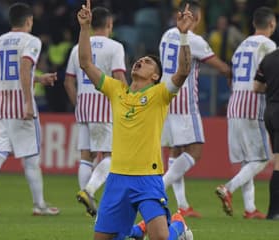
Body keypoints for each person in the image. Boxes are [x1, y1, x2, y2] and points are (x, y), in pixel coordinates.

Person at [77, 0, 194, 239]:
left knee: (161, 237)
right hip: (117, 178)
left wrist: (183, 35)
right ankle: (139, 229)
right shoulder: (117, 90)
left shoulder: (160, 94)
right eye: (139, 60)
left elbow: (182, 71)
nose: (140, 61)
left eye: (148, 62)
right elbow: (86, 64)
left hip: (147, 177)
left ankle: (179, 227)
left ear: (156, 76)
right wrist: (84, 27)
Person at [0, 2, 59, 216]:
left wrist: (38, 78)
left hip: (2, 105)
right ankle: (39, 205)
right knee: (31, 159)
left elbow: (10, 72)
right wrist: (29, 103)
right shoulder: (32, 41)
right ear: (29, 21)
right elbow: (23, 67)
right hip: (21, 106)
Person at [159, 0, 231, 218]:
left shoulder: (166, 35)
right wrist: (231, 74)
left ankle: (182, 205)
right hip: (184, 101)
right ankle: (158, 187)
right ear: (198, 19)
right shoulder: (194, 40)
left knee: (175, 151)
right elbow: (219, 66)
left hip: (164, 98)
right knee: (195, 151)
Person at [64, 6, 126, 217]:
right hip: (105, 105)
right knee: (112, 155)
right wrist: (127, 102)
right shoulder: (115, 47)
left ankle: (88, 204)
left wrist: (78, 103)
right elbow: (119, 78)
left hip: (83, 106)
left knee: (86, 156)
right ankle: (89, 190)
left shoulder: (77, 47)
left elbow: (68, 82)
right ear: (109, 24)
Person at [216, 6, 277, 219]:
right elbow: (271, 74)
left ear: (253, 24)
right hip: (254, 105)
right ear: (272, 24)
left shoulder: (241, 45)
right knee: (262, 158)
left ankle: (250, 209)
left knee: (247, 160)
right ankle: (228, 188)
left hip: (235, 105)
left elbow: (231, 75)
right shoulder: (269, 45)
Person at [254, 40, 279, 221]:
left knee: (278, 159)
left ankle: (273, 212)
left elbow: (257, 87)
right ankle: (274, 212)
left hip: (269, 112)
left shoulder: (268, 59)